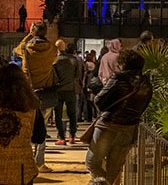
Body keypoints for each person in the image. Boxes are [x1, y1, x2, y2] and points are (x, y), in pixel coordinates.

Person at [85, 49, 153, 184]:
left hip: (108, 125)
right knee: (114, 168)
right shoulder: (147, 83)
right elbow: (144, 106)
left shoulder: (118, 77)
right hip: (130, 128)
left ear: (124, 64)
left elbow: (98, 100)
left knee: (92, 162)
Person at [14, 22, 57, 173]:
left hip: (28, 93)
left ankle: (25, 161)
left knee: (25, 127)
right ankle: (39, 161)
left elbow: (16, 49)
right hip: (45, 93)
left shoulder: (26, 48)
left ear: (34, 32)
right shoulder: (52, 49)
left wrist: (29, 34)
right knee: (42, 128)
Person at [53, 41, 78, 145]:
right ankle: (72, 136)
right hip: (70, 89)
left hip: (58, 90)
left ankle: (62, 137)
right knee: (72, 113)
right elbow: (77, 75)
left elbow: (53, 77)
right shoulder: (73, 60)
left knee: (58, 114)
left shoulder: (55, 61)